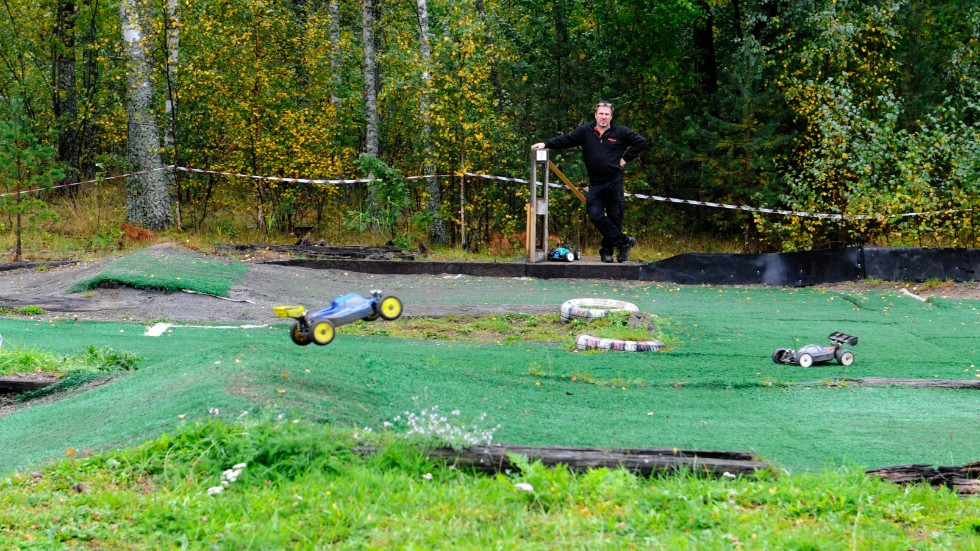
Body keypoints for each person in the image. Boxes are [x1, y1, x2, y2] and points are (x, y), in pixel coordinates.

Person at [531, 101, 647, 263]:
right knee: (595, 214)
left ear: (611, 116)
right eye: (601, 114)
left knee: (615, 216)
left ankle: (607, 252)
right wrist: (546, 144)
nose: (604, 117)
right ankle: (624, 242)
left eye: (607, 114)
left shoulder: (621, 132)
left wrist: (625, 158)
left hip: (614, 180)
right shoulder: (586, 131)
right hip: (596, 183)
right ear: (595, 115)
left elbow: (641, 141)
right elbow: (566, 140)